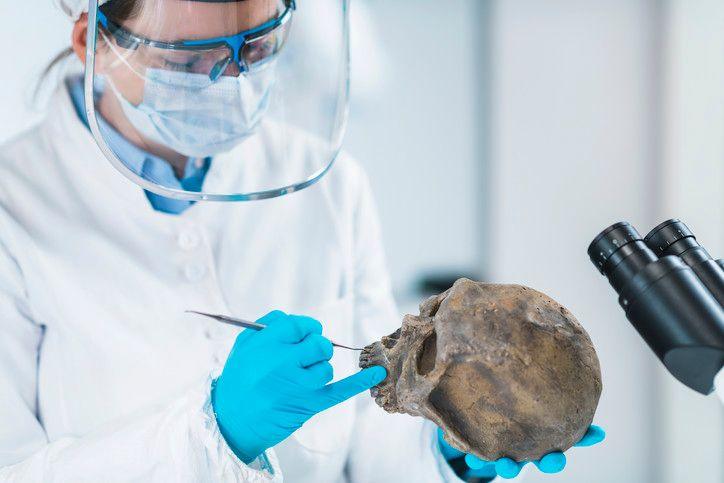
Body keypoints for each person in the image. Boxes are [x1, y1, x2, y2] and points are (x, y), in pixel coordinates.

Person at [0, 1, 603, 481]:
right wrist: (216, 433)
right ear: (92, 44)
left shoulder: (329, 185)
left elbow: (373, 433)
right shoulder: (14, 209)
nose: (230, 80)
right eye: (188, 62)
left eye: (257, 48)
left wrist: (446, 451)